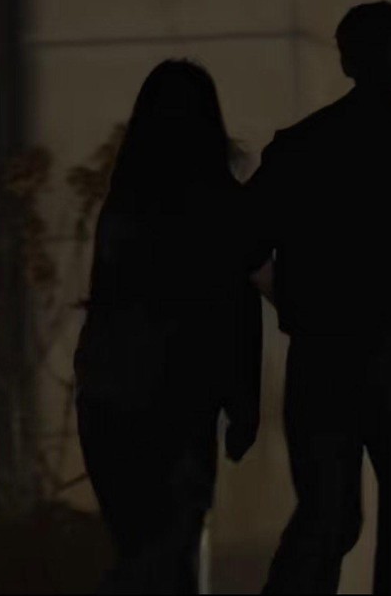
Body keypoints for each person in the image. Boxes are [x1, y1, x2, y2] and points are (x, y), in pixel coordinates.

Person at [246, 1, 391, 595]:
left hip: (321, 350)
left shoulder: (300, 146)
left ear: (345, 59)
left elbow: (244, 242)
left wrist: (290, 304)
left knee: (324, 512)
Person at [74, 60, 262, 594]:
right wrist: (242, 407)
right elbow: (237, 313)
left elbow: (104, 299)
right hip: (181, 401)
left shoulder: (123, 204)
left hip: (110, 398)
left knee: (139, 548)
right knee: (169, 551)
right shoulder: (222, 204)